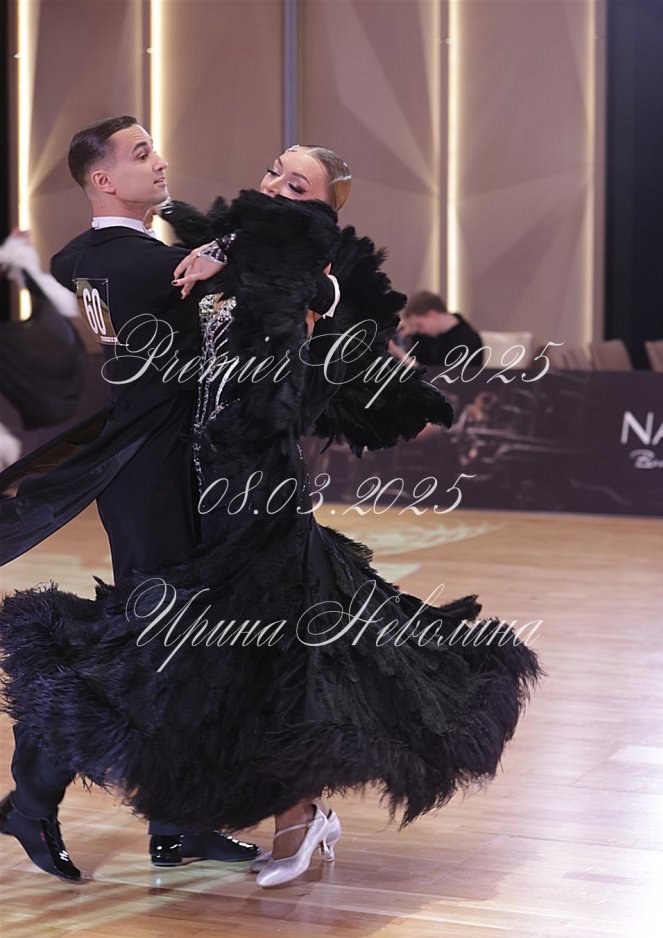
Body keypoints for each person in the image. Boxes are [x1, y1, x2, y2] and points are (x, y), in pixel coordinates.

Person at [1, 145, 541, 890]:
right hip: (187, 480)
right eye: (273, 172)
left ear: (318, 209)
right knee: (192, 656)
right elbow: (104, 262)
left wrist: (254, 268)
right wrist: (222, 253)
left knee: (234, 657)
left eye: (296, 183)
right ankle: (166, 816)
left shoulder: (290, 265)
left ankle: (205, 817)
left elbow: (298, 292)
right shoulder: (192, 252)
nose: (274, 186)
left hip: (251, 493)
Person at [0, 116, 259, 879]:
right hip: (154, 476)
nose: (161, 161)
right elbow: (268, 258)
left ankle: (179, 821)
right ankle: (32, 797)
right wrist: (226, 249)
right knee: (142, 649)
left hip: (165, 467)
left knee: (181, 651)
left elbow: (79, 261)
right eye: (142, 153)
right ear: (103, 179)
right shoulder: (138, 264)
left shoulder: (90, 256)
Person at [402, 290, 483, 366]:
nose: (419, 330)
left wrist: (401, 354)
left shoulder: (467, 340)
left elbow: (447, 374)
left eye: (420, 325)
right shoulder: (426, 337)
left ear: (432, 315)